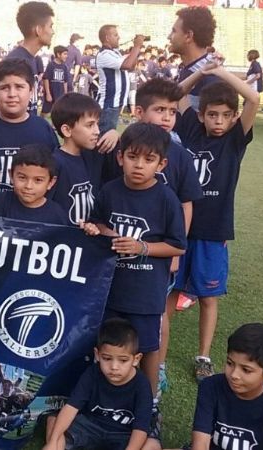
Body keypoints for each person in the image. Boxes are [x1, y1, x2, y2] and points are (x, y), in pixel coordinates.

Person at [84, 123, 186, 444]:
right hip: (111, 288)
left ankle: (150, 405)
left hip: (146, 292)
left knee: (148, 348)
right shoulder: (110, 191)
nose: (139, 165)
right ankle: (98, 401)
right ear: (120, 157)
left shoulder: (167, 199)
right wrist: (99, 230)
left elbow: (177, 245)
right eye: (132, 157)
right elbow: (98, 221)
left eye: (148, 159)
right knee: (107, 343)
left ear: (162, 164)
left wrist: (142, 247)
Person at [174, 63, 258, 382]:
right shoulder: (192, 129)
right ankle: (158, 348)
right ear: (201, 115)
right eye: (212, 114)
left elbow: (253, 100)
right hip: (181, 227)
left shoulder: (236, 139)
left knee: (208, 297)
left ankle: (203, 355)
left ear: (234, 117)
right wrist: (201, 73)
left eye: (225, 115)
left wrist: (221, 72)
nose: (218, 121)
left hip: (213, 232)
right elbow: (177, 93)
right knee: (170, 291)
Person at [129, 78, 203, 398]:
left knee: (158, 313)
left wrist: (176, 251)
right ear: (138, 111)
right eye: (160, 110)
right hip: (123, 246)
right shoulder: (124, 149)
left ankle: (155, 370)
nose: (167, 118)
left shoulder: (180, 155)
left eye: (172, 111)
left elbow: (187, 204)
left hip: (160, 252)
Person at [44, 318, 152, 450]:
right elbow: (71, 407)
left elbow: (141, 428)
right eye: (107, 358)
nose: (114, 367)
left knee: (151, 445)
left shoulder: (142, 384)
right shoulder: (92, 373)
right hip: (91, 427)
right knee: (53, 421)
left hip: (123, 434)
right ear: (97, 355)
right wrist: (53, 442)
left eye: (123, 360)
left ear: (136, 359)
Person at [184, 323, 263, 450]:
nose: (234, 375)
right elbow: (200, 443)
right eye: (230, 363)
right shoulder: (210, 386)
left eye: (246, 370)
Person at [0, 58, 59, 192]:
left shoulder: (42, 129)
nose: (12, 94)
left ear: (31, 90)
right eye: (4, 88)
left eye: (19, 87)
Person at [0, 144, 69, 225]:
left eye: (38, 180)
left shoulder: (56, 215)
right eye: (22, 178)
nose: (28, 186)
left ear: (51, 182)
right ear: (11, 176)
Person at [49, 93, 103, 226]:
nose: (97, 131)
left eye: (97, 124)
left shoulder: (92, 157)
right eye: (90, 125)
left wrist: (113, 134)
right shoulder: (55, 163)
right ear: (67, 130)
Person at [6, 1, 55, 116]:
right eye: (50, 26)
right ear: (38, 30)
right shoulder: (15, 61)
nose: (53, 32)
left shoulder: (32, 59)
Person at [96, 24, 146, 135]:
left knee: (108, 136)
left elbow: (131, 66)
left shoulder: (115, 53)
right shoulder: (104, 54)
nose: (119, 37)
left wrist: (136, 49)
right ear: (107, 38)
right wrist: (137, 46)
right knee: (104, 138)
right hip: (108, 105)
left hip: (115, 104)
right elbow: (127, 65)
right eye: (115, 35)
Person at [168, 6, 218, 111]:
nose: (169, 36)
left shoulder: (212, 78)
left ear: (188, 36)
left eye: (174, 31)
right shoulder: (188, 68)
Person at [42, 45, 71, 117]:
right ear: (58, 54)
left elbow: (65, 81)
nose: (66, 56)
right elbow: (46, 79)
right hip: (51, 93)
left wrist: (65, 94)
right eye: (64, 54)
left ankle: (54, 127)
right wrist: (48, 94)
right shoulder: (51, 65)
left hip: (60, 94)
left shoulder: (64, 67)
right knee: (45, 112)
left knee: (58, 113)